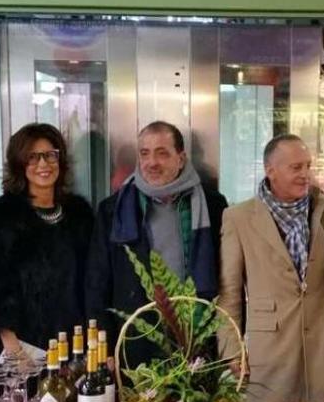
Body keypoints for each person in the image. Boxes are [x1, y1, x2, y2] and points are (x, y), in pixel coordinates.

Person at [86, 121, 228, 367]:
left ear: (181, 158)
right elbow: (97, 283)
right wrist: (104, 346)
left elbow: (227, 277)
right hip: (134, 339)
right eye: (145, 153)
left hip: (196, 337)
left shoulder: (213, 206)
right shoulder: (113, 210)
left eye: (162, 153)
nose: (152, 162)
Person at [218, 134, 324, 402]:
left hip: (322, 351)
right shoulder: (238, 218)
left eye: (308, 166)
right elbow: (229, 293)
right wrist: (232, 350)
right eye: (296, 167)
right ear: (270, 171)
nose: (305, 175)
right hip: (269, 355)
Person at [0, 123, 94, 359]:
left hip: (76, 344)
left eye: (50, 155)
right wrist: (14, 350)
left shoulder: (80, 214)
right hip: (24, 348)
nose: (43, 164)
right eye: (33, 157)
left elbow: (94, 280)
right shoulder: (3, 214)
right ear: (19, 164)